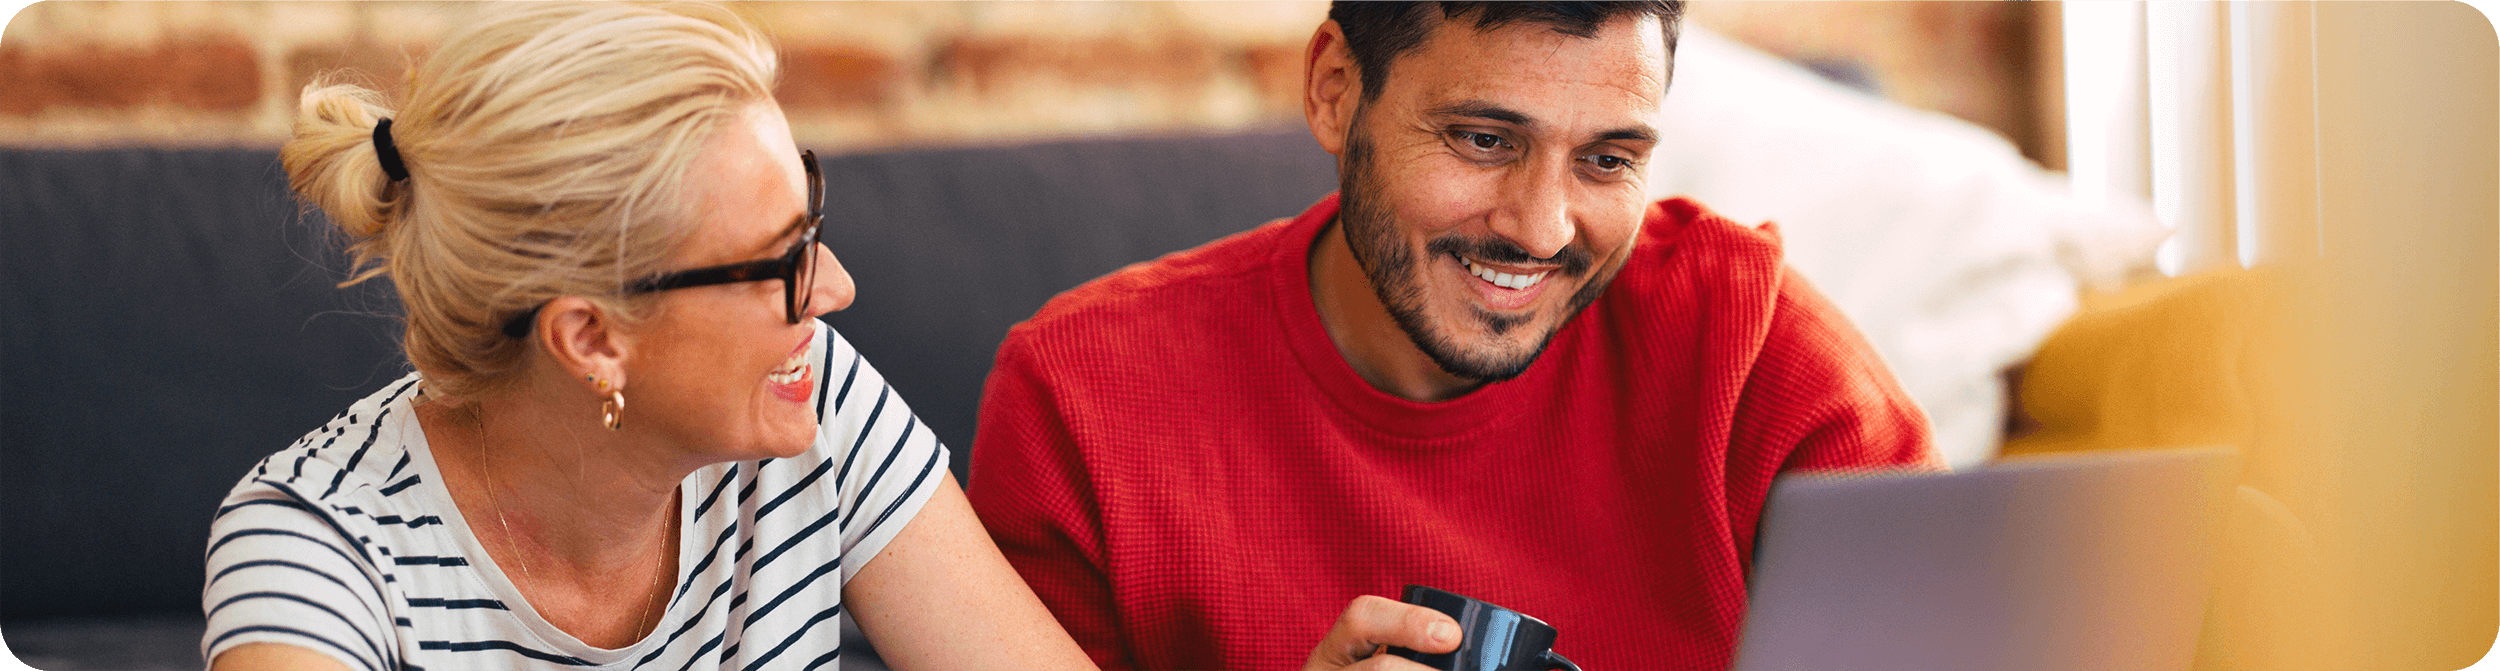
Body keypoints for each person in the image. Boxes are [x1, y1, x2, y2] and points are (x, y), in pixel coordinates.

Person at [967, 2, 1942, 670]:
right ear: (1334, 88)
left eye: (1606, 159)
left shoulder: (1755, 349)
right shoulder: (1082, 398)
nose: (1542, 229)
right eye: (1484, 139)